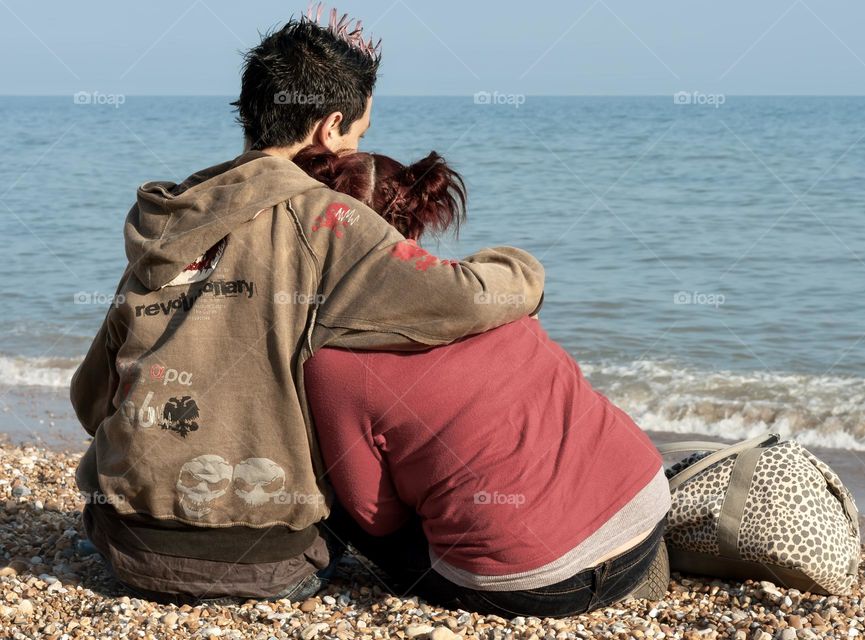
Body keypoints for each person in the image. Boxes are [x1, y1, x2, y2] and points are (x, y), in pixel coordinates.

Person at [71, 8, 544, 606]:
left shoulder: (171, 217)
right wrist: (521, 267)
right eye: (358, 137)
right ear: (330, 127)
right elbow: (468, 299)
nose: (353, 154)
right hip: (266, 565)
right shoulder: (327, 217)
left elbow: (90, 399)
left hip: (124, 545)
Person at [295, 149, 671, 617]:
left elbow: (376, 516)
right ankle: (625, 562)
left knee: (342, 499)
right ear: (415, 223)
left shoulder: (332, 361)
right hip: (645, 505)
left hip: (536, 584)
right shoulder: (486, 294)